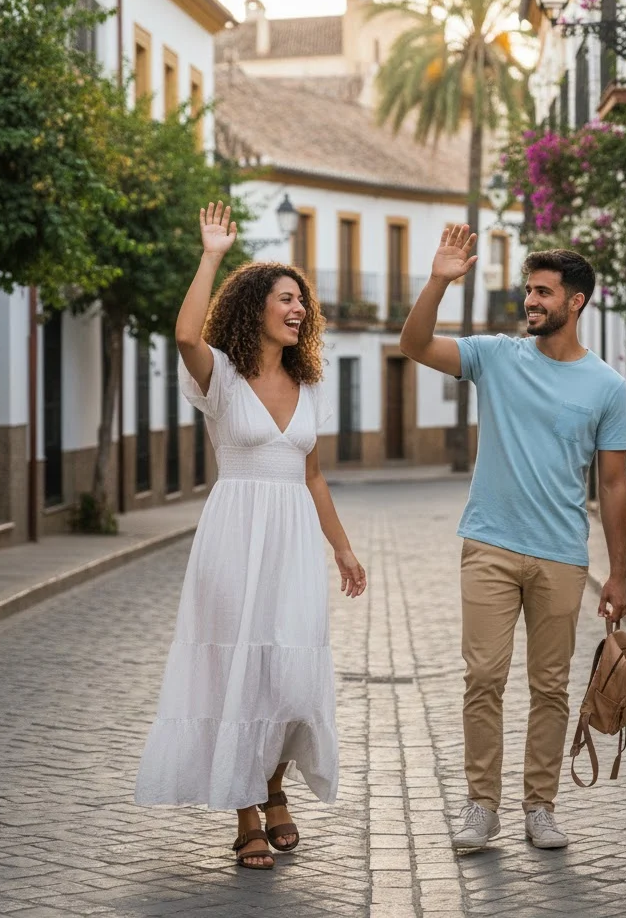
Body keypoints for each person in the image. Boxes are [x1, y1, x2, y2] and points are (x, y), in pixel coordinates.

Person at [134, 201, 367, 870]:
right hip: (234, 538)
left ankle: (275, 783)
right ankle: (248, 814)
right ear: (253, 308)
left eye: (302, 301)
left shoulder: (310, 383)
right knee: (236, 667)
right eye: (285, 298)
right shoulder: (221, 378)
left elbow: (314, 476)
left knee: (286, 670)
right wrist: (211, 253)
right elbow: (183, 336)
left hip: (293, 542)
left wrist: (343, 548)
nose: (299, 309)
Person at [400, 226, 626, 852]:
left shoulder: (607, 387)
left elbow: (613, 484)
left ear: (575, 301)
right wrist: (440, 280)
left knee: (550, 687)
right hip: (490, 546)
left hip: (561, 555)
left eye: (543, 292)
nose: (531, 301)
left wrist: (618, 573)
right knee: (483, 677)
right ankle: (482, 805)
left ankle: (540, 806)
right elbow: (414, 343)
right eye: (528, 290)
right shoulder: (496, 356)